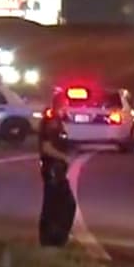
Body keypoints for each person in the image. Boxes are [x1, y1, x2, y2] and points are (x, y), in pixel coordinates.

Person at [38, 95, 75, 247]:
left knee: (57, 204)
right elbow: (46, 147)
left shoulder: (58, 121)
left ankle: (54, 237)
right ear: (61, 104)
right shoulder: (52, 121)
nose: (68, 108)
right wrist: (64, 157)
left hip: (57, 170)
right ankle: (52, 238)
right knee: (62, 204)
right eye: (66, 104)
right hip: (53, 170)